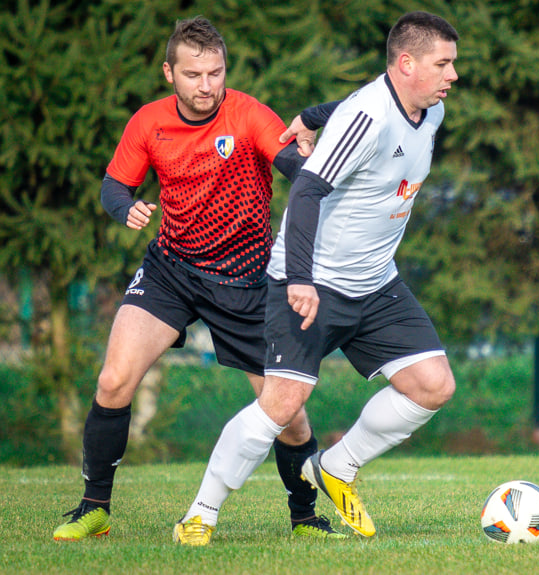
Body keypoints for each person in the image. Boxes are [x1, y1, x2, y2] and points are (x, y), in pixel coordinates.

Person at [52, 16, 345, 544]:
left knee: (289, 414)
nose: (207, 85)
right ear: (170, 73)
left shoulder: (247, 112)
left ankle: (305, 519)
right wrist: (126, 209)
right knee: (113, 381)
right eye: (194, 74)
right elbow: (114, 187)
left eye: (216, 72)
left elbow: (290, 165)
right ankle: (94, 509)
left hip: (249, 281)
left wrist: (310, 173)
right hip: (172, 270)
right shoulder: (148, 122)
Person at [174, 10, 459, 542]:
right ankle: (201, 512)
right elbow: (306, 190)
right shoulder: (369, 118)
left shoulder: (428, 111)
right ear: (407, 62)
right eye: (443, 64)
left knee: (433, 386)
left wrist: (311, 114)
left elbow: (351, 107)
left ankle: (337, 466)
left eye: (452, 64)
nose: (452, 75)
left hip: (375, 283)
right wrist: (301, 279)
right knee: (282, 405)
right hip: (311, 281)